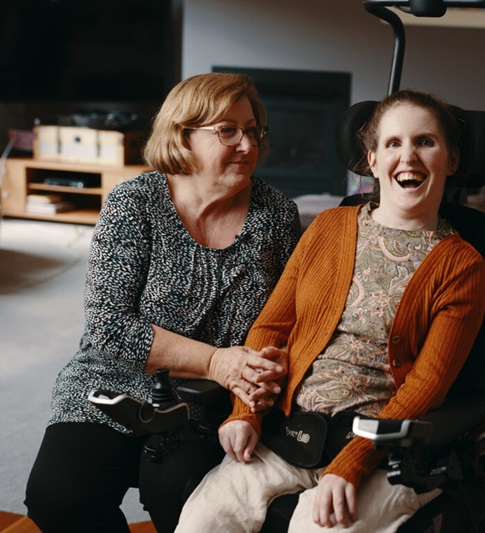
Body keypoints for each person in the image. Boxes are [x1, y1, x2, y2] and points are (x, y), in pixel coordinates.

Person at [175, 89, 485, 532]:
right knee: (202, 520)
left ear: (452, 161)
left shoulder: (462, 266)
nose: (409, 157)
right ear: (373, 159)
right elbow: (272, 326)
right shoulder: (328, 228)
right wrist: (244, 411)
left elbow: (429, 384)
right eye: (393, 143)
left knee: (315, 527)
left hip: (384, 450)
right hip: (294, 430)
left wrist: (352, 463)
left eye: (426, 142)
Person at [25, 72, 302, 533]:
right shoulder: (135, 202)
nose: (246, 143)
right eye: (227, 130)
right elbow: (109, 327)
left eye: (252, 130)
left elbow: (288, 320)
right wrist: (215, 360)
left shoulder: (275, 215)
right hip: (109, 385)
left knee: (182, 497)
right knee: (59, 497)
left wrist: (244, 382)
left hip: (209, 403)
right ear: (182, 135)